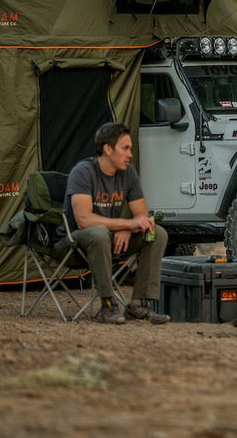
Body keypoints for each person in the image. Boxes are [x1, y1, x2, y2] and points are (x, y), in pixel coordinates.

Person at [64, 122, 170, 325]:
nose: (130, 154)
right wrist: (128, 224)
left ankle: (139, 304)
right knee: (98, 233)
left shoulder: (128, 173)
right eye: (125, 148)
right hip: (76, 240)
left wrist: (127, 228)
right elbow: (84, 220)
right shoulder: (83, 171)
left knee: (157, 233)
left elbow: (142, 216)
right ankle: (108, 305)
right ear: (108, 149)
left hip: (110, 237)